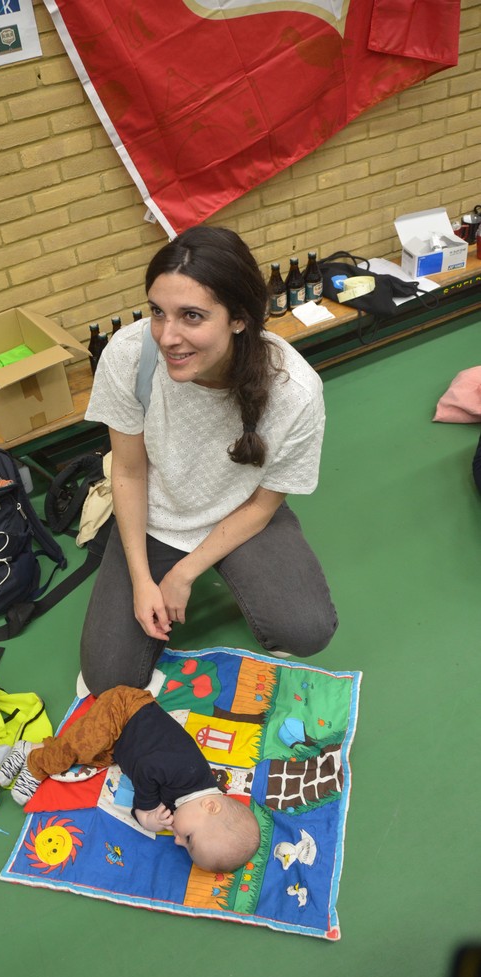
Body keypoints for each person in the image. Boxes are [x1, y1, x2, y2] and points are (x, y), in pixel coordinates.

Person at [80, 225, 338, 695]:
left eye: (192, 316)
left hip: (242, 512)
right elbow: (129, 472)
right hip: (156, 515)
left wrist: (183, 574)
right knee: (108, 681)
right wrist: (142, 578)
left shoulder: (294, 391)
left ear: (238, 318)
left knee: (306, 630)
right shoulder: (129, 356)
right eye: (158, 312)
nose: (167, 336)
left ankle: (236, 577)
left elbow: (263, 505)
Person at [0, 685, 261, 873]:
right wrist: (145, 811)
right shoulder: (188, 772)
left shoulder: (188, 803)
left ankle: (28, 749)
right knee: (84, 745)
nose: (178, 841)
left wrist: (150, 816)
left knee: (86, 757)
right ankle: (36, 764)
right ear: (211, 806)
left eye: (185, 847)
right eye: (189, 838)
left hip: (121, 744)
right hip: (124, 710)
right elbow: (145, 769)